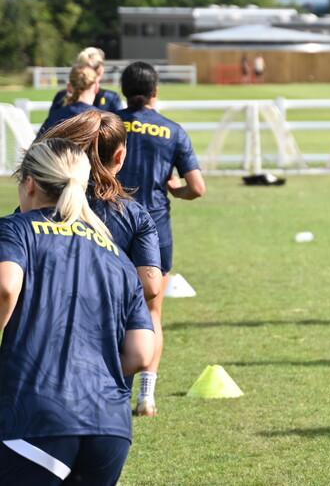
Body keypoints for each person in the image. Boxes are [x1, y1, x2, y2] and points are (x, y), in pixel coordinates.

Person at [0, 138, 154, 485]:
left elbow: (6, 287)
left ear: (30, 183)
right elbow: (142, 352)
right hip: (110, 429)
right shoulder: (116, 255)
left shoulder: (15, 229)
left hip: (36, 416)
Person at [116, 61, 206, 417]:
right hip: (154, 229)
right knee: (152, 311)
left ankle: (113, 390)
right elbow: (197, 188)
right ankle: (146, 396)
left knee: (108, 306)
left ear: (123, 90)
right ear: (155, 92)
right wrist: (175, 190)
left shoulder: (105, 123)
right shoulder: (172, 131)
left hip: (109, 224)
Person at [38, 109, 164, 311]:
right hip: (105, 328)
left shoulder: (38, 204)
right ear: (120, 156)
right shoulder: (134, 215)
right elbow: (151, 286)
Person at [49, 47, 123, 115]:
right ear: (101, 70)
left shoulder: (61, 97)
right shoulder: (111, 98)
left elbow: (48, 127)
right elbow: (121, 126)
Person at [38, 64, 99, 136]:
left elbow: (37, 145)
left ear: (69, 88)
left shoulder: (55, 118)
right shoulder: (103, 119)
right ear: (96, 87)